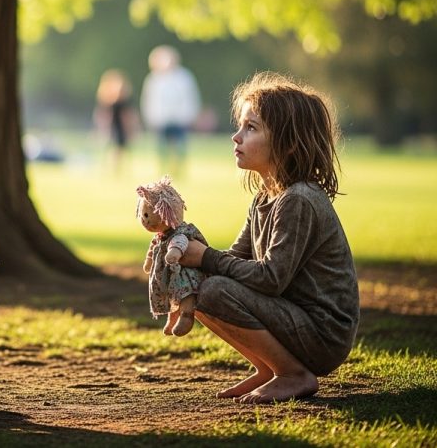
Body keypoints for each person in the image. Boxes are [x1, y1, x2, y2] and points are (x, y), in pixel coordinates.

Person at [179, 72, 359, 404]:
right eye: (240, 126)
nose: (236, 137)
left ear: (288, 143)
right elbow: (233, 259)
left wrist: (204, 257)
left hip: (323, 334)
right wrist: (179, 244)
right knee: (199, 284)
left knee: (214, 289)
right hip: (293, 321)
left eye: (251, 128)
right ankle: (271, 367)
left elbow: (270, 278)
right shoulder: (265, 197)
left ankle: (292, 373)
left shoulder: (298, 200)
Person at [140, 45, 201, 176]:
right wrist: (150, 118)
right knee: (162, 150)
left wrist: (191, 116)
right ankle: (164, 172)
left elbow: (190, 97)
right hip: (160, 119)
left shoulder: (184, 77)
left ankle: (179, 171)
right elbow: (148, 101)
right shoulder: (153, 79)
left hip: (180, 119)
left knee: (180, 148)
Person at [93, 69, 140, 173]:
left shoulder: (125, 101)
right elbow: (103, 115)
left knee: (121, 148)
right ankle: (112, 168)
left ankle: (119, 168)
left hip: (122, 127)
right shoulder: (108, 101)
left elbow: (129, 115)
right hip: (112, 126)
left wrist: (132, 128)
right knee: (112, 148)